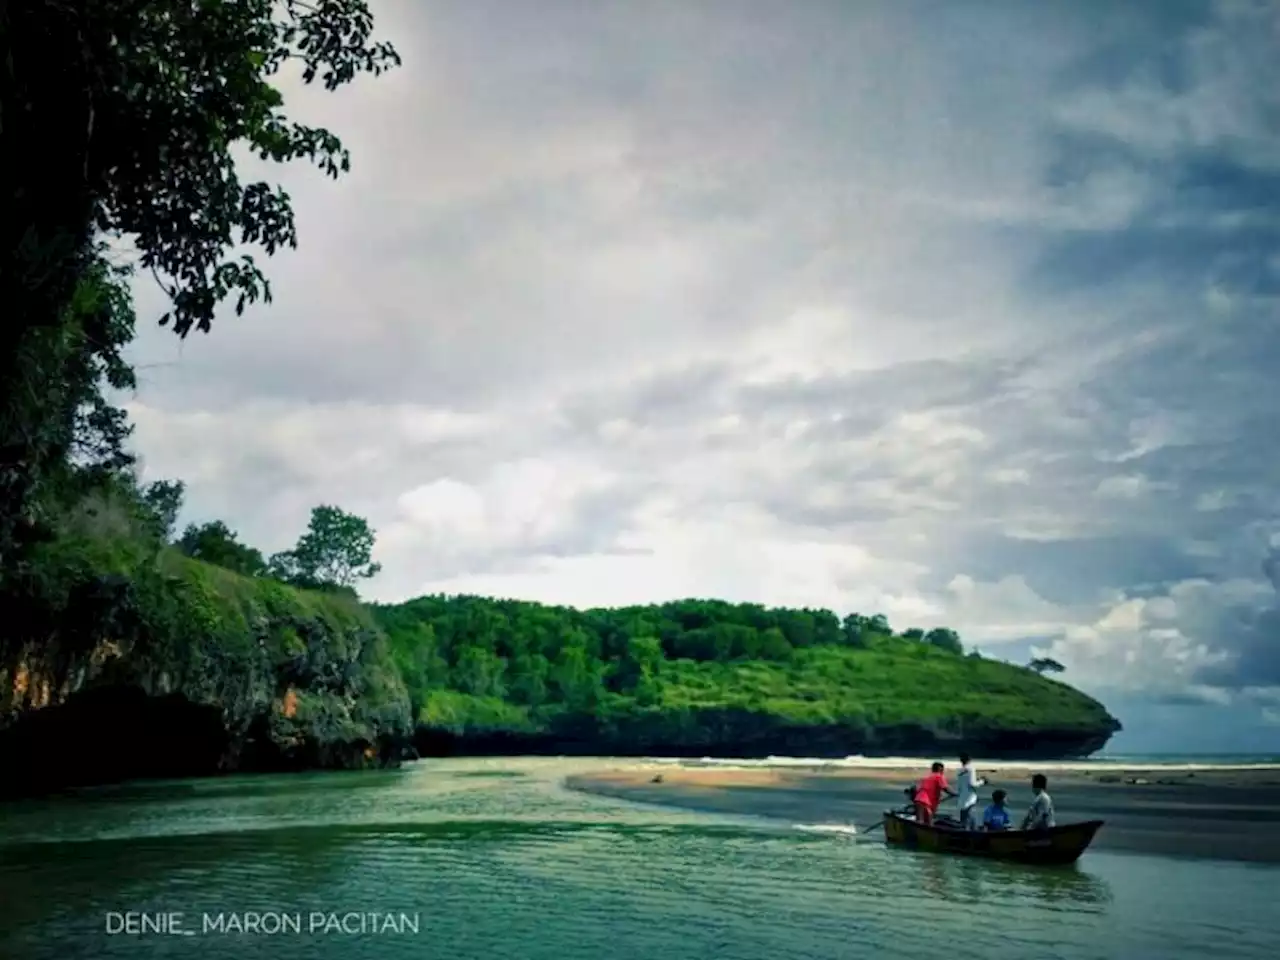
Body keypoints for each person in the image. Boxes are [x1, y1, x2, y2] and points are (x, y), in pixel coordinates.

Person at [913, 761, 957, 826]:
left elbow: (924, 790)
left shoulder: (928, 777)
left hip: (918, 800)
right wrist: (955, 794)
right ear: (941, 770)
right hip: (925, 802)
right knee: (929, 823)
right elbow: (945, 788)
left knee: (919, 821)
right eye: (942, 770)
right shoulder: (939, 777)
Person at [955, 752, 986, 830]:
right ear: (969, 759)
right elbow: (973, 783)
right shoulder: (971, 769)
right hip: (970, 797)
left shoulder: (959, 770)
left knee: (964, 819)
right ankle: (973, 834)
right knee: (971, 818)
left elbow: (959, 786)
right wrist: (982, 781)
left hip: (962, 798)